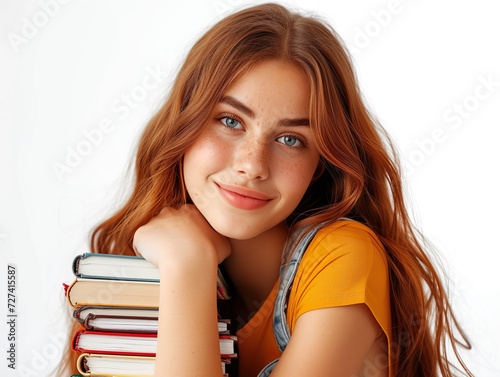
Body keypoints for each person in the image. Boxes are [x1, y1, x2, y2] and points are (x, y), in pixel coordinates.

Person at [55, 3, 474, 377]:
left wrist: (188, 266)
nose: (252, 165)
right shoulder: (143, 260)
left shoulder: (344, 257)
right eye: (230, 121)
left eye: (291, 139)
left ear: (320, 165)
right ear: (184, 124)